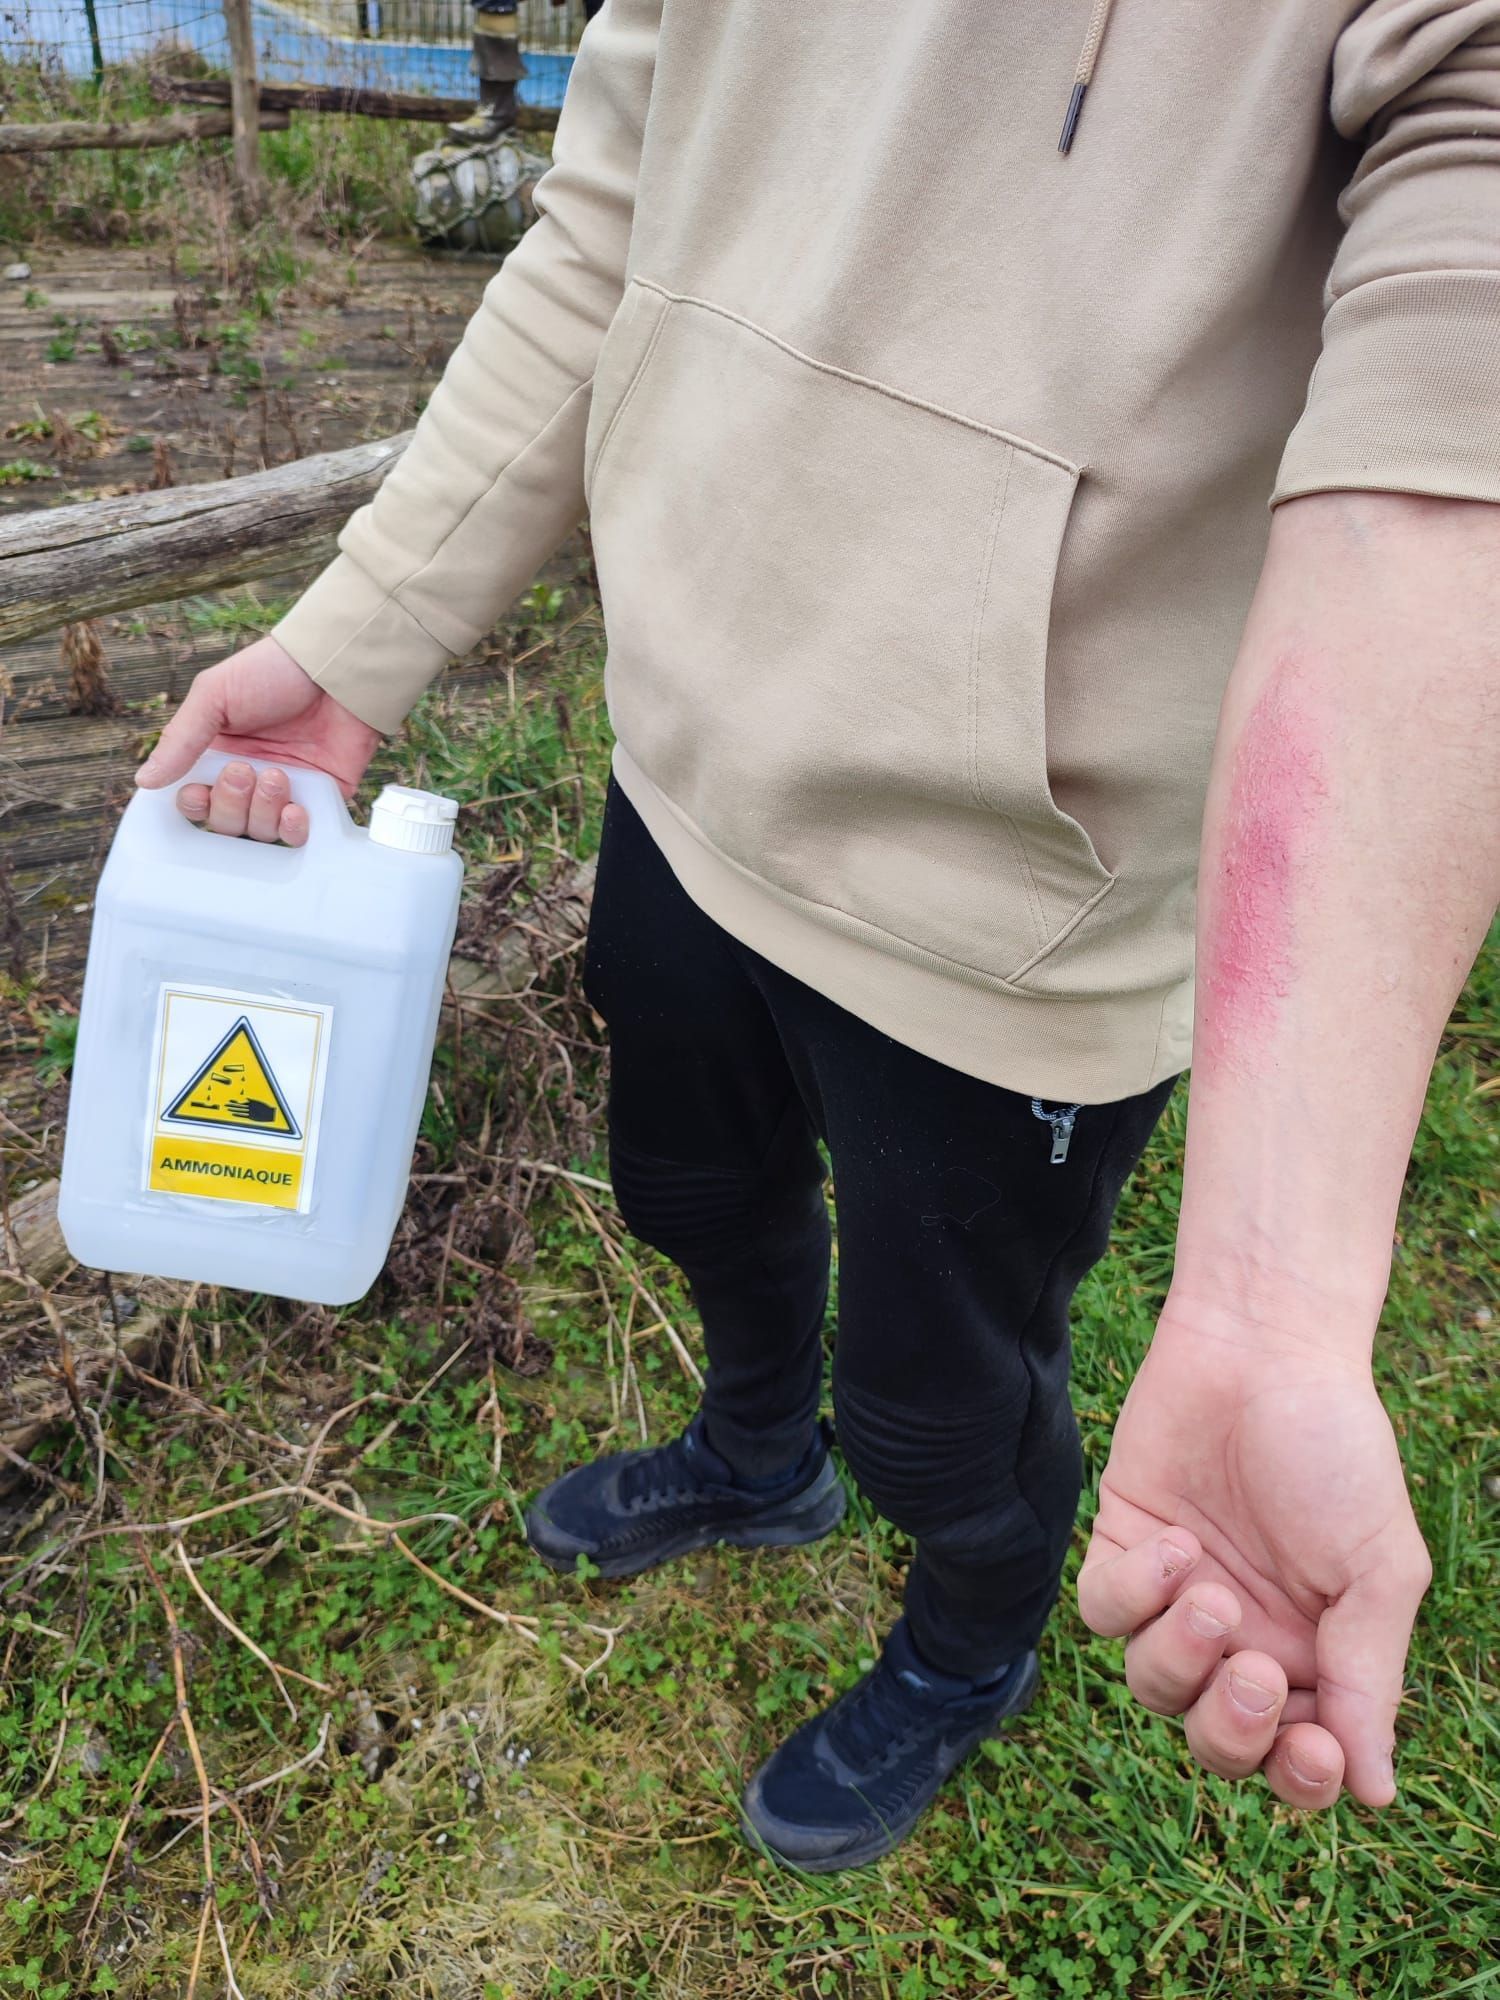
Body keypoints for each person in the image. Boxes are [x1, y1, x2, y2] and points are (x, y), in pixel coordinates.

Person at [136, 1, 1500, 1873]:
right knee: (690, 1190)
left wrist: (1276, 1302)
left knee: (941, 1408)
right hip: (683, 768)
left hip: (1009, 906)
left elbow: (1441, 475)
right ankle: (760, 1455)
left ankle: (968, 1643)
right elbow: (611, 220)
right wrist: (355, 646)